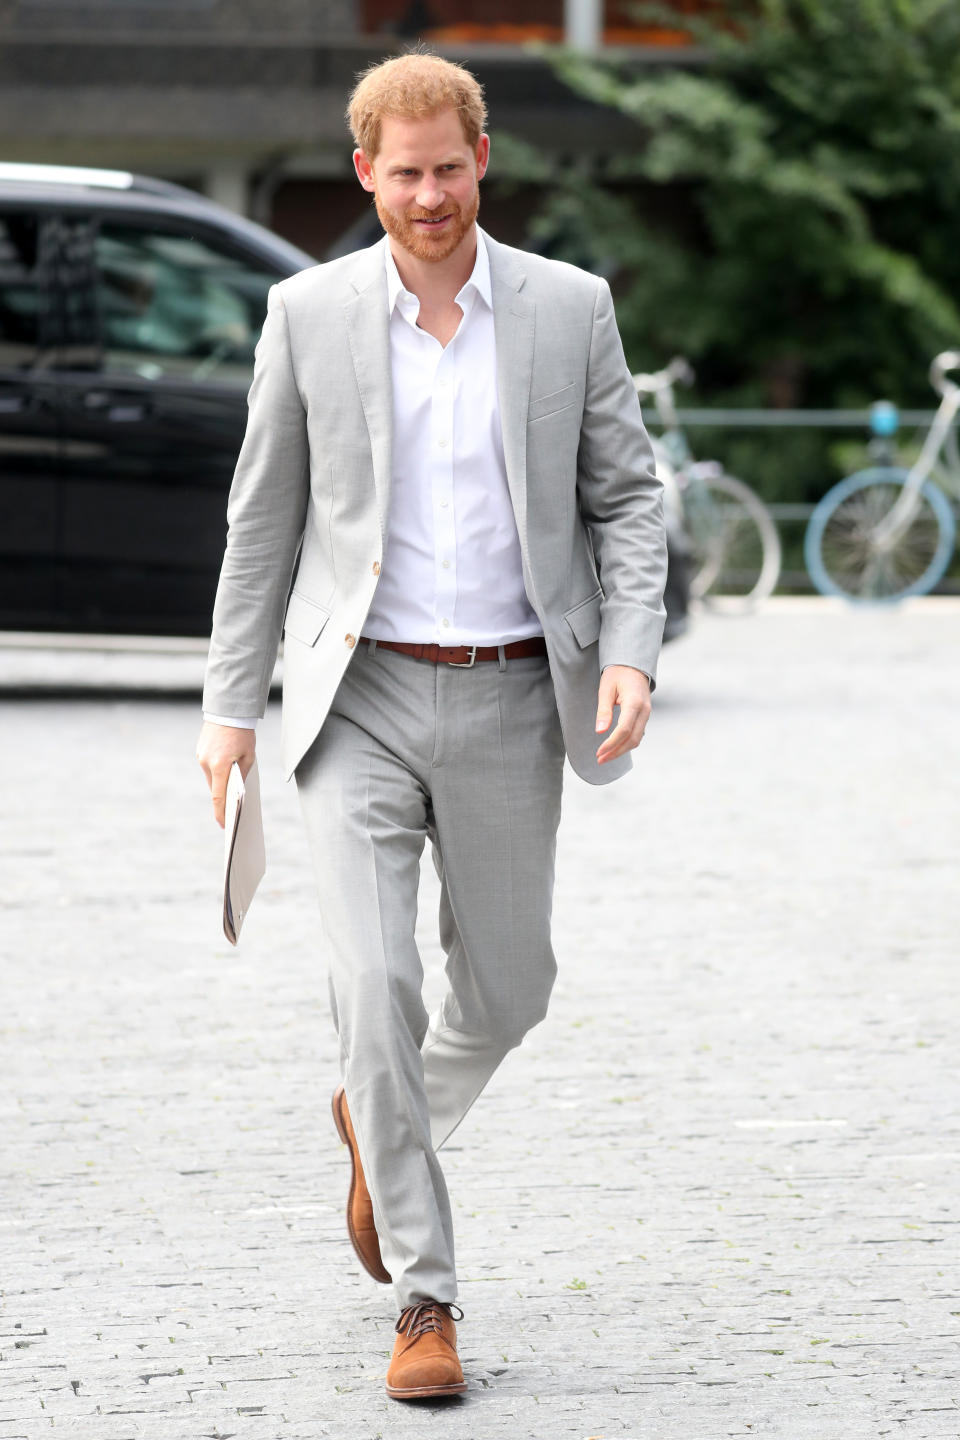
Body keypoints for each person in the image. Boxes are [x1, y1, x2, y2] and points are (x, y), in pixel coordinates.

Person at [196, 51, 667, 1402]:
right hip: (361, 699)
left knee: (512, 984)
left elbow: (628, 501)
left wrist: (629, 650)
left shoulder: (569, 311)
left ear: (482, 159)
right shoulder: (308, 313)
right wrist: (231, 709)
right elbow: (262, 524)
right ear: (366, 174)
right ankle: (427, 1295)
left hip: (521, 691)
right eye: (402, 174)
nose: (428, 195)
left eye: (448, 168)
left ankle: (380, 1115)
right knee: (378, 988)